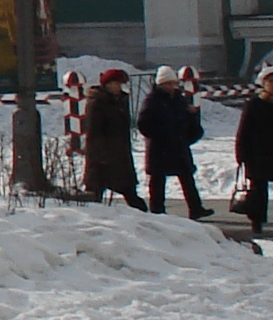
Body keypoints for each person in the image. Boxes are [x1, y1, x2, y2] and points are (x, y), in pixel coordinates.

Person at [137, 65, 212, 219]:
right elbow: (144, 124)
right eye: (168, 84)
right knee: (158, 179)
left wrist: (189, 133)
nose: (171, 87)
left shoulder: (179, 99)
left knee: (187, 177)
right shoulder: (152, 101)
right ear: (160, 84)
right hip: (160, 147)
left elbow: (186, 119)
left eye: (173, 83)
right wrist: (160, 135)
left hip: (178, 145)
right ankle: (157, 210)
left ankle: (196, 208)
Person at [236, 65, 273, 240]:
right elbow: (244, 131)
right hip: (258, 153)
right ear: (263, 83)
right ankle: (257, 222)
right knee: (258, 190)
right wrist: (241, 155)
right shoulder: (254, 104)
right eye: (271, 81)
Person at [82, 67, 143, 209]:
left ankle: (147, 219)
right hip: (102, 158)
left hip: (119, 155)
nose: (120, 88)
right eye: (117, 84)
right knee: (94, 195)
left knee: (130, 192)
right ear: (108, 84)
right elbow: (93, 131)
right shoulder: (97, 102)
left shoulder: (120, 100)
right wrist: (100, 155)